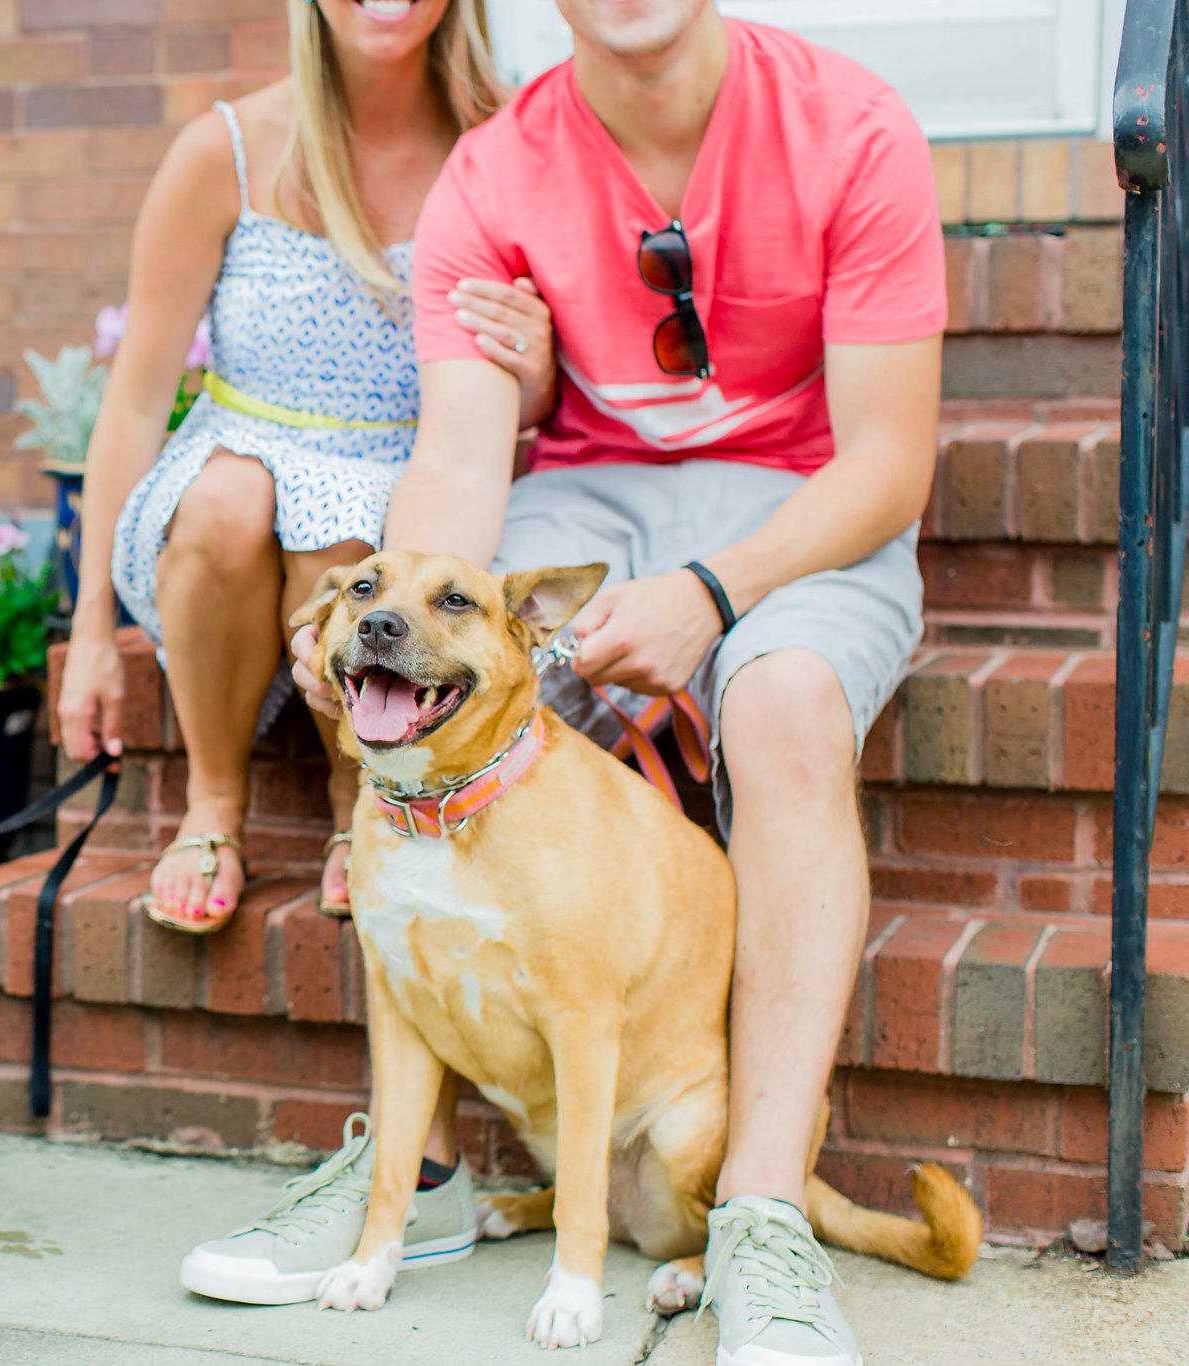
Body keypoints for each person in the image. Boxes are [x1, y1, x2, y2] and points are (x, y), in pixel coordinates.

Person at [276, 2, 944, 1361]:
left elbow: (889, 462)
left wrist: (715, 595)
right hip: (584, 501)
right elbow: (461, 461)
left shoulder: (852, 124)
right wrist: (391, 629)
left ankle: (756, 1207)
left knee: (784, 705)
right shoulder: (493, 172)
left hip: (807, 500)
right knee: (468, 702)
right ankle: (418, 1181)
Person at [56, 0, 550, 936]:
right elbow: (131, 401)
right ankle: (213, 805)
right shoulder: (226, 152)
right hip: (232, 468)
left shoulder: (506, 140)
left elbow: (545, 405)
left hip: (409, 479)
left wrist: (539, 367)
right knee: (232, 499)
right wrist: (89, 633)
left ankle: (355, 801)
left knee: (349, 527)